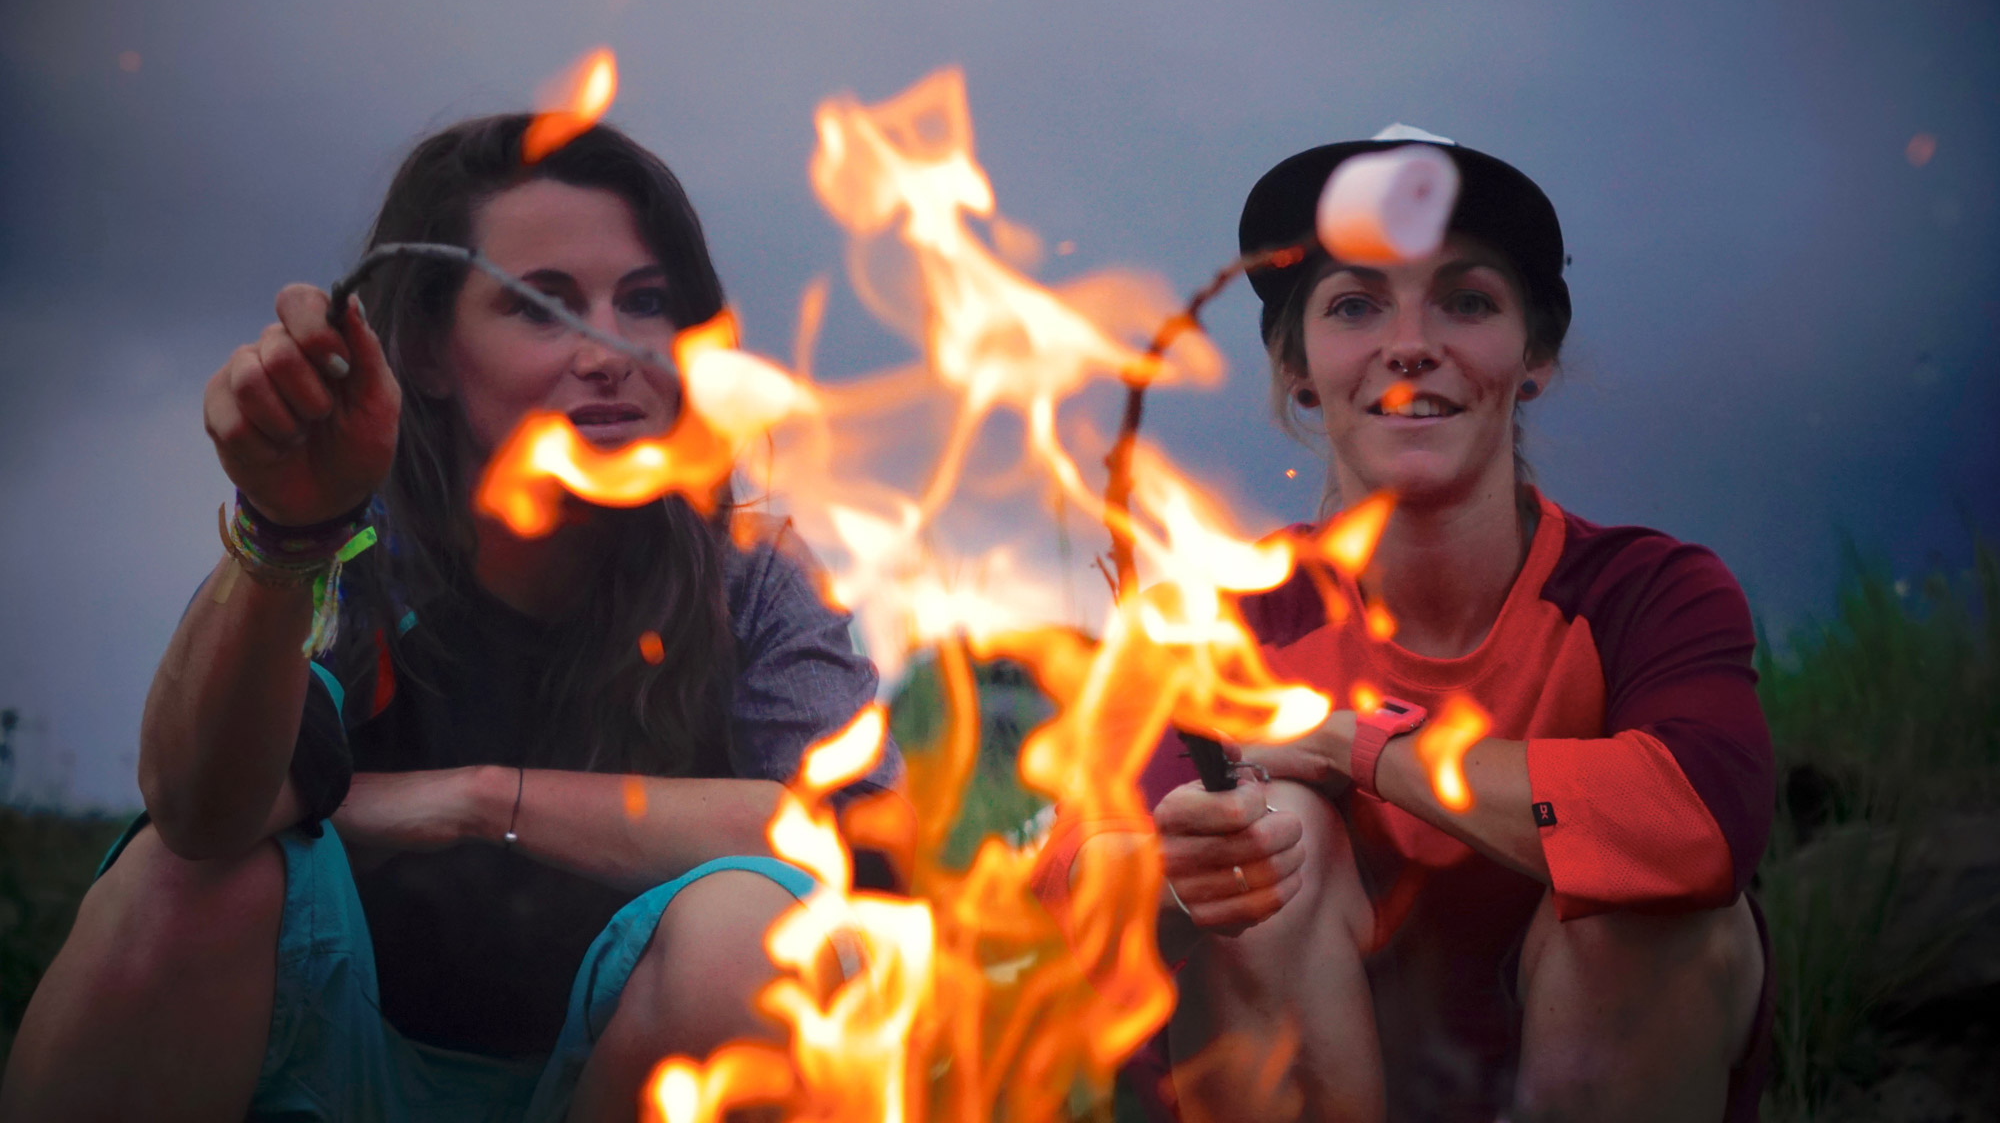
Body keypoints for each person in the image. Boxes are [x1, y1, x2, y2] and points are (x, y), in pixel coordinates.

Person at [0, 115, 898, 1122]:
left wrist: (478, 800)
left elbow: (854, 841)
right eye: (540, 308)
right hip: (334, 1060)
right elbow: (201, 809)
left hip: (618, 1073)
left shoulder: (748, 572)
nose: (609, 351)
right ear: (427, 351)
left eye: (643, 302)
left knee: (754, 930)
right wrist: (287, 534)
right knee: (186, 881)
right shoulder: (362, 546)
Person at [1040, 129, 1774, 1122]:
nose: (1409, 341)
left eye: (1465, 300)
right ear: (1295, 367)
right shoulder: (1206, 621)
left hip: (1584, 1057)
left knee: (1643, 905)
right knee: (1267, 849)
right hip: (1300, 1058)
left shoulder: (1648, 591)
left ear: (1534, 357)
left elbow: (1700, 829)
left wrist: (1354, 740)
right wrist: (1173, 876)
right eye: (1354, 306)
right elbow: (1076, 872)